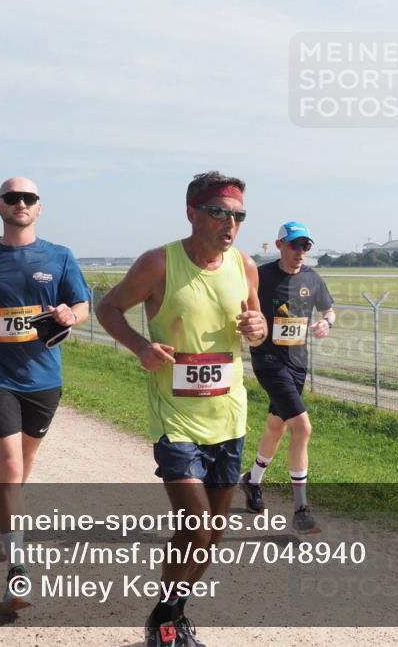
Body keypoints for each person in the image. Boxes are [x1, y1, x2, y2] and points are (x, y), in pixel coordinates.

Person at [96, 171, 266, 647]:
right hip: (177, 418)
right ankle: (166, 621)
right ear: (192, 212)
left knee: (212, 533)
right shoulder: (159, 263)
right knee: (196, 523)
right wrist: (139, 347)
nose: (230, 225)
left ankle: (170, 613)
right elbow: (109, 308)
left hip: (228, 415)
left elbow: (257, 329)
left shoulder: (246, 266)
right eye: (219, 213)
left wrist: (258, 327)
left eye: (238, 216)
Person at [0, 177, 90, 612]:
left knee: (20, 470)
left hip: (44, 380)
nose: (21, 204)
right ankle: (18, 568)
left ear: (39, 207)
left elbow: (82, 305)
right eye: (12, 198)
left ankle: (3, 523)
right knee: (10, 466)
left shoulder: (60, 256)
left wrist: (71, 314)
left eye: (28, 198)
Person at [241, 221, 334, 533]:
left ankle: (251, 481)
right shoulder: (262, 275)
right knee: (302, 427)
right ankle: (301, 509)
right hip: (268, 361)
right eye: (295, 245)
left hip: (297, 364)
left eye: (305, 246)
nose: (300, 252)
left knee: (276, 426)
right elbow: (240, 303)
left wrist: (326, 324)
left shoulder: (312, 278)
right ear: (279, 244)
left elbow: (328, 310)